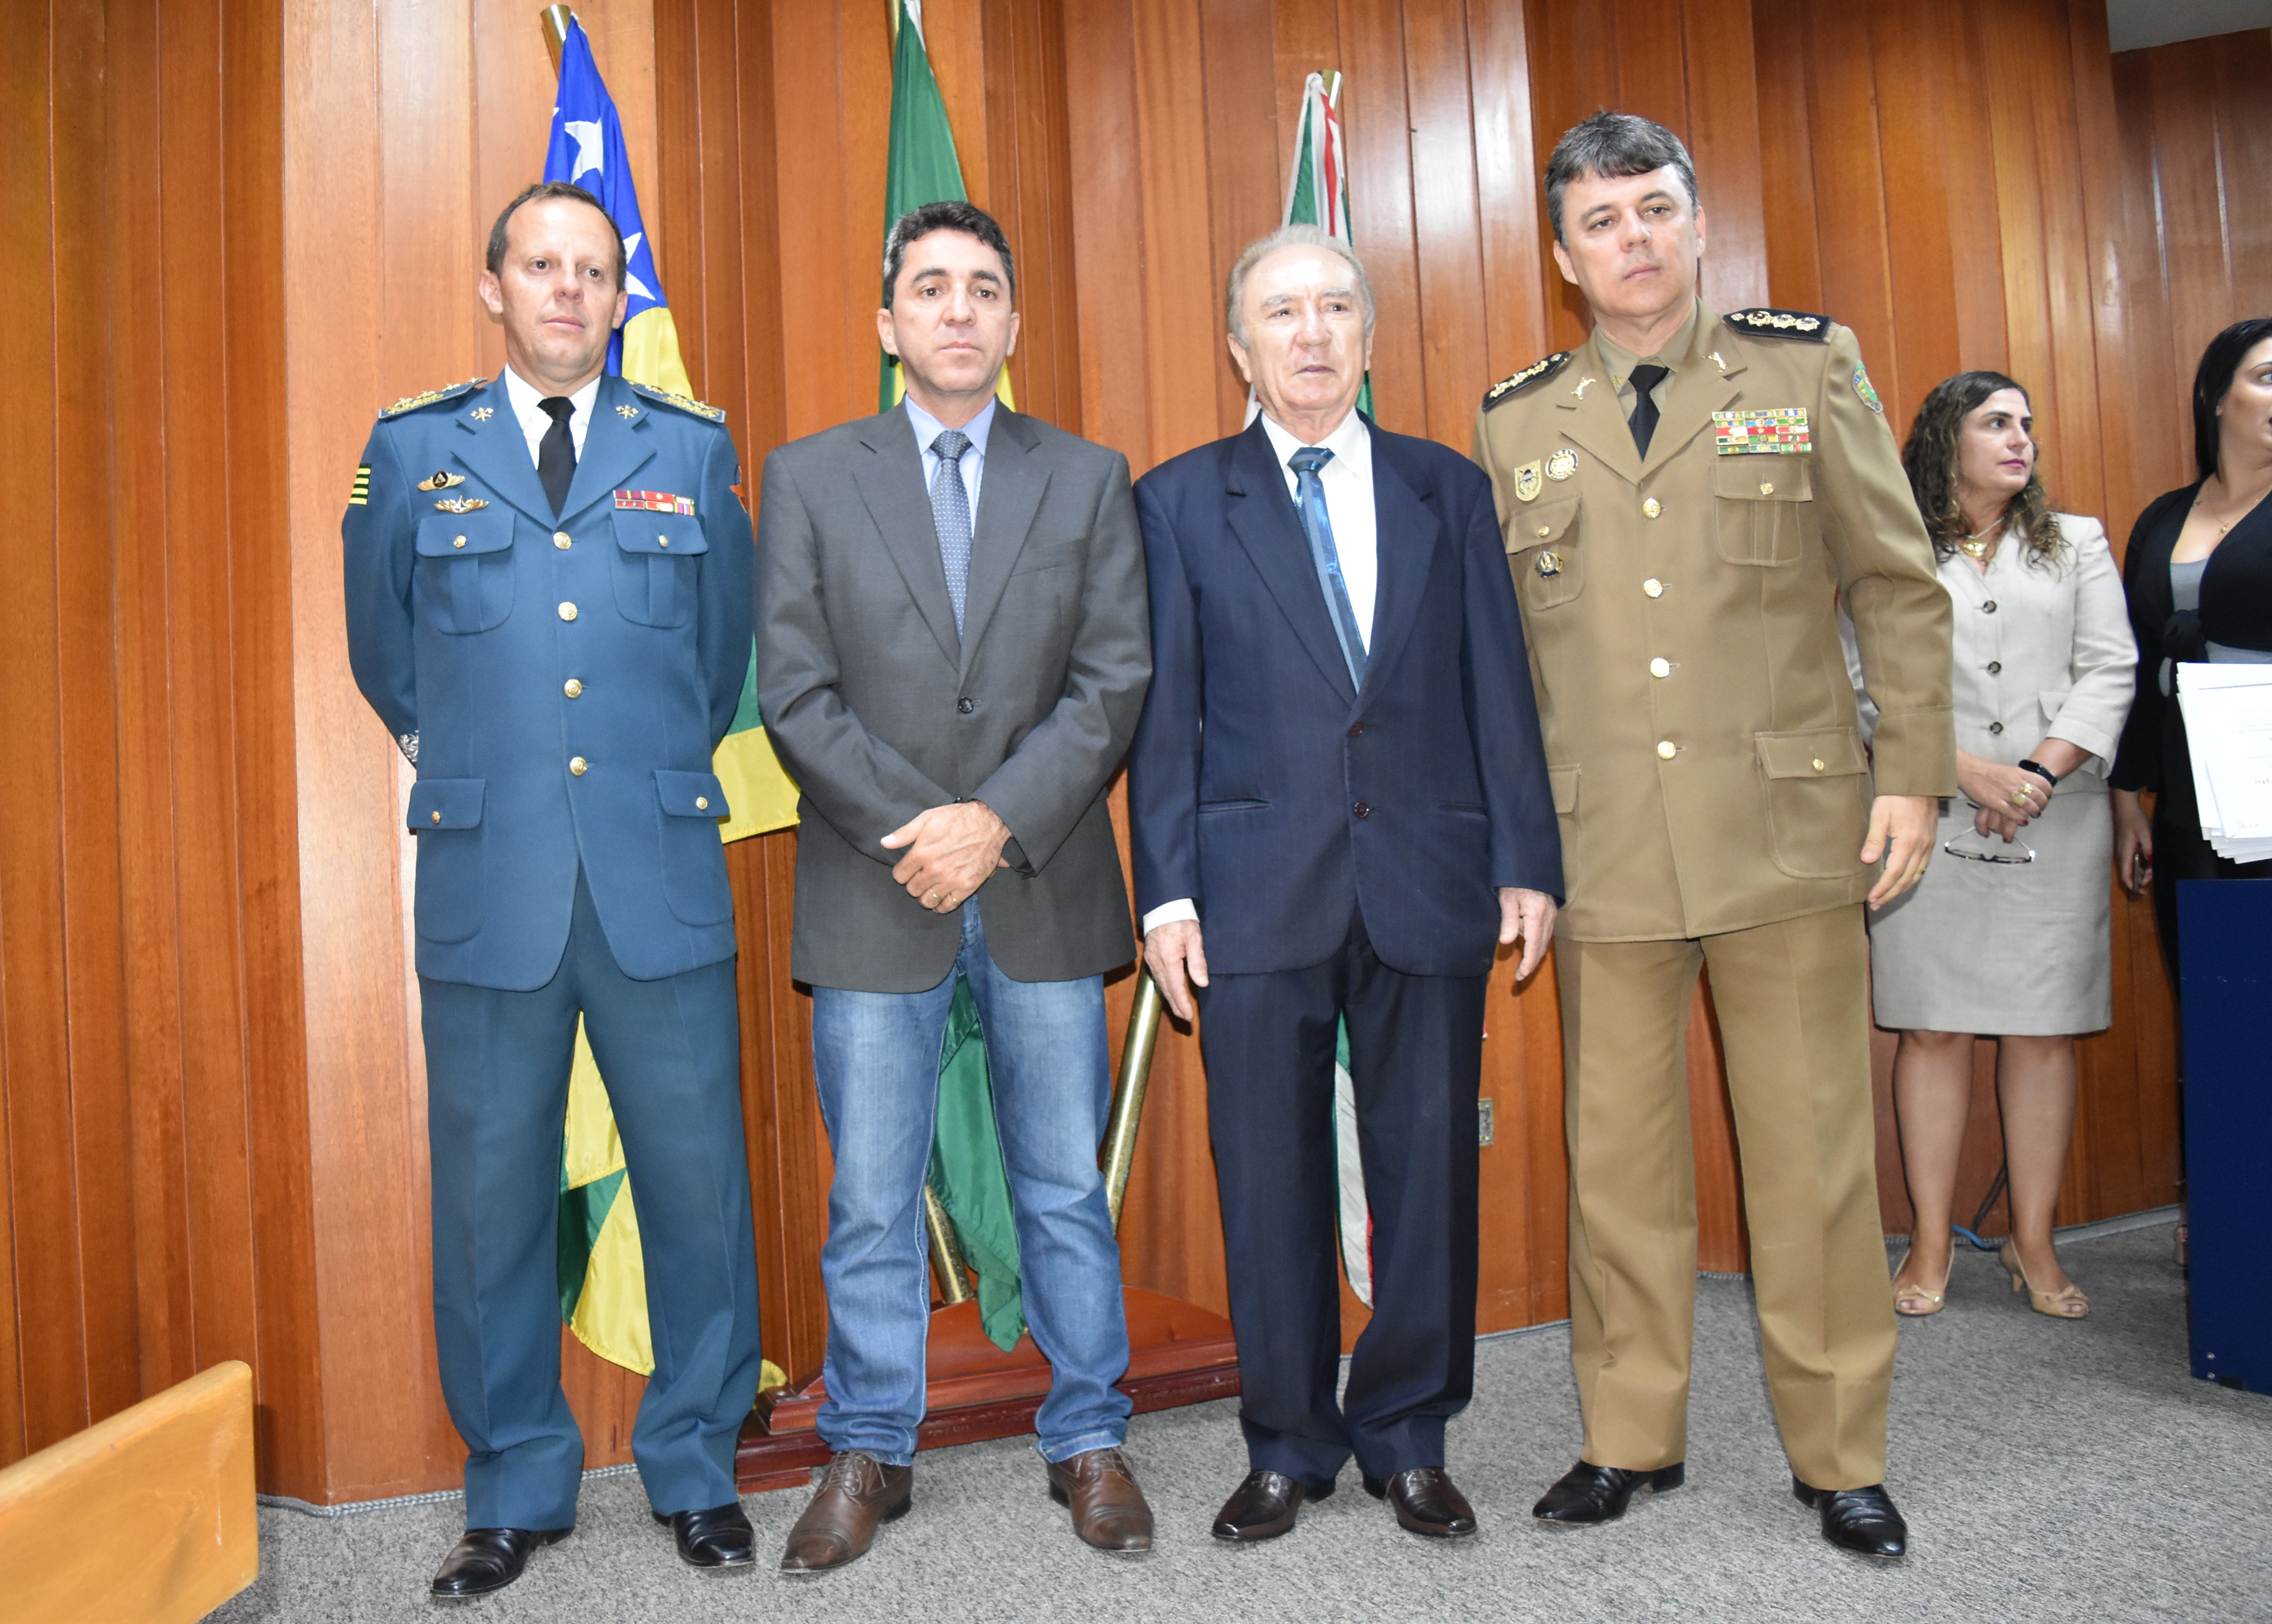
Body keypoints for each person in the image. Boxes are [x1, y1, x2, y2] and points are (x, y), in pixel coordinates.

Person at [1470, 112, 1954, 1560]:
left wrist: (1912, 772)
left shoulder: (1804, 368)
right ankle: (1630, 1437)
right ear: (1565, 257)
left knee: (1810, 1161)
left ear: (1696, 223)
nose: (1634, 239)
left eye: (1656, 208)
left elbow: (1897, 580)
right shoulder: (1519, 422)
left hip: (1787, 831)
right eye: (1603, 220)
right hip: (1604, 843)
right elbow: (1505, 665)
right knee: (1619, 1164)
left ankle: (1840, 1451)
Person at [343, 181, 763, 1594]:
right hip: (490, 877)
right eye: (542, 266)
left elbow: (717, 666)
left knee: (700, 1188)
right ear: (495, 287)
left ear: (618, 294)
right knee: (490, 1203)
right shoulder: (412, 455)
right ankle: (514, 1483)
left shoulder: (691, 453)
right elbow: (383, 658)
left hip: (656, 874)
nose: (568, 291)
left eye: (594, 270)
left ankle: (697, 1466)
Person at [1130, 225, 1563, 1546]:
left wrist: (1525, 859)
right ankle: (1287, 1442)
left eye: (1333, 309)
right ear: (1238, 348)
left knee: (1427, 1167)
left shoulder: (1445, 489)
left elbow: (1501, 683)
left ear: (1367, 337)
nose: (1310, 333)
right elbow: (1166, 716)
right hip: (1253, 886)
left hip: (1427, 872)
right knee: (1265, 1177)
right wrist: (1164, 893)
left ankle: (1409, 1433)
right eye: (1281, 313)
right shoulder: (1180, 498)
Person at [755, 201, 1153, 1571]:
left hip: (1038, 874)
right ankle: (869, 1444)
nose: (959, 310)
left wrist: (995, 821)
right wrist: (926, 828)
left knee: (1060, 1182)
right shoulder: (809, 476)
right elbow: (795, 694)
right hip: (876, 887)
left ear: (1013, 321)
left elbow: (1114, 683)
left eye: (984, 287)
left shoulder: (1088, 475)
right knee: (870, 1194)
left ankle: (1089, 1432)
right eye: (931, 288)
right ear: (889, 325)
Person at [1870, 374, 2134, 1322]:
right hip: (1926, 811)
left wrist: (2034, 773)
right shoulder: (1888, 545)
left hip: (2054, 816)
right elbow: (1861, 687)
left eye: (2026, 422)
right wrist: (1967, 772)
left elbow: (2110, 669)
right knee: (1929, 1027)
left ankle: (2035, 1243)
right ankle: (1931, 1241)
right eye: (1995, 422)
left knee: (2043, 1031)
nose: (2019, 437)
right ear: (1947, 438)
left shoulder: (2077, 544)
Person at [2111, 318, 2272, 991]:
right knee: (2220, 1017)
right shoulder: (2162, 517)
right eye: (2266, 378)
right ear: (2215, 395)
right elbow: (2139, 664)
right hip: (2189, 802)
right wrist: (2125, 802)